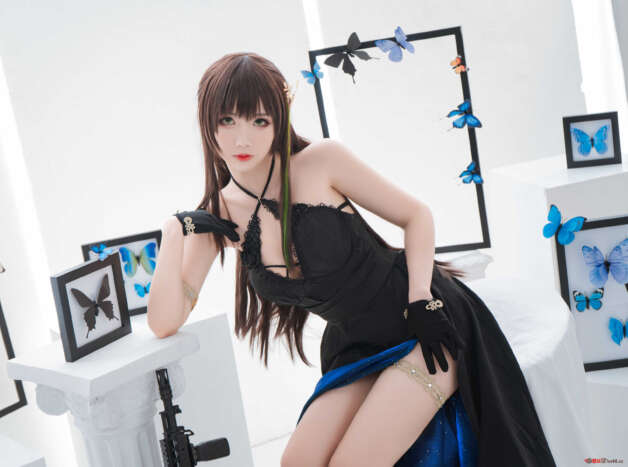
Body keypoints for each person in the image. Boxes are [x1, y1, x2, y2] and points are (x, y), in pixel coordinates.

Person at [147, 52, 556, 466]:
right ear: (207, 123)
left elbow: (416, 215)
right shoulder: (216, 217)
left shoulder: (320, 162)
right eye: (227, 120)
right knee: (296, 463)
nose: (242, 139)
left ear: (279, 121)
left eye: (259, 121)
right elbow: (164, 322)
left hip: (422, 321)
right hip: (355, 345)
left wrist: (421, 299)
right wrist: (172, 231)